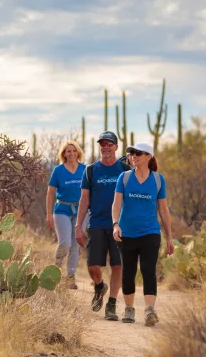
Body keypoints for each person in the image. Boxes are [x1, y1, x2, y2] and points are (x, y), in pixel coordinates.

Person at [112, 142, 174, 326]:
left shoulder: (158, 180)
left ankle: (149, 311)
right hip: (126, 233)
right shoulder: (123, 178)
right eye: (131, 153)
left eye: (139, 153)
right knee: (129, 272)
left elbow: (163, 210)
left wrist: (170, 237)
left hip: (150, 232)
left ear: (149, 157)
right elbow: (116, 205)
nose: (134, 156)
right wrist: (115, 225)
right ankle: (129, 309)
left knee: (148, 270)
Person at [75, 131, 130, 320]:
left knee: (118, 266)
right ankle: (99, 286)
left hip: (120, 226)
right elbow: (84, 199)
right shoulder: (90, 171)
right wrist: (78, 226)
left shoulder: (124, 169)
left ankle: (112, 305)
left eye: (109, 144)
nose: (105, 147)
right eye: (102, 144)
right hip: (97, 223)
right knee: (92, 266)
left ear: (116, 147)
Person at [46, 140, 86, 289]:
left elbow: (91, 191)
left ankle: (70, 277)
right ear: (64, 154)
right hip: (62, 209)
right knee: (65, 243)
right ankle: (56, 268)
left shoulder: (85, 169)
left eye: (74, 150)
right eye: (68, 151)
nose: (71, 153)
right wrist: (49, 214)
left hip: (80, 211)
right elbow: (50, 193)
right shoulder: (58, 170)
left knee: (75, 245)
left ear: (78, 153)